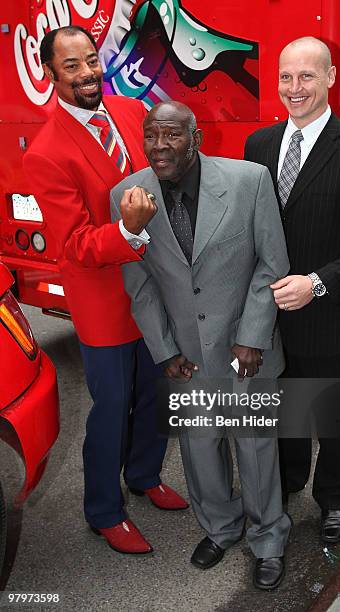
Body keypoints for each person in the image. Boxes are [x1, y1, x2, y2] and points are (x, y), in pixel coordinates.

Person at [110, 101, 292, 590]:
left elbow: (271, 265)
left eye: (171, 136)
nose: (158, 147)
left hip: (245, 349)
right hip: (186, 354)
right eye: (151, 136)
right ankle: (220, 526)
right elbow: (141, 286)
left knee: (256, 449)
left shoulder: (249, 181)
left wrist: (253, 336)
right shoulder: (128, 196)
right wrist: (164, 350)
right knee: (199, 447)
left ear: (196, 139)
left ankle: (268, 537)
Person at [23, 26, 187, 555]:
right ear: (51, 74)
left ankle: (144, 476)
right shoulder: (46, 153)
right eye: (71, 66)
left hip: (156, 292)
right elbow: (72, 246)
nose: (87, 72)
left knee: (157, 392)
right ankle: (103, 510)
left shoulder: (131, 111)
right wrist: (129, 230)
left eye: (91, 60)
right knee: (113, 406)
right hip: (106, 305)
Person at [244, 36, 340, 544]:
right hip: (270, 318)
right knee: (286, 409)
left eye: (307, 76)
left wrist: (317, 283)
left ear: (331, 78)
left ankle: (335, 500)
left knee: (334, 414)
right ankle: (287, 485)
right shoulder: (260, 145)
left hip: (326, 312)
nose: (295, 88)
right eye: (286, 77)